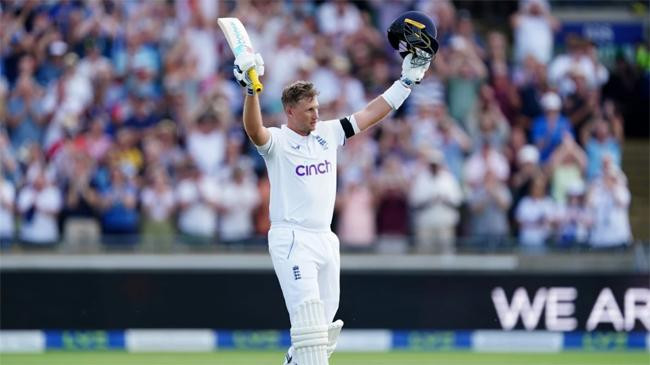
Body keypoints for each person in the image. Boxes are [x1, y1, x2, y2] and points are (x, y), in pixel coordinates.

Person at [233, 11, 436, 365]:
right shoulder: (278, 142)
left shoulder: (328, 133)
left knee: (323, 334)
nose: (316, 115)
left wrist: (406, 83)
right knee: (310, 329)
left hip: (325, 239)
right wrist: (251, 90)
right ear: (289, 111)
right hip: (292, 238)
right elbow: (254, 130)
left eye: (317, 108)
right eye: (309, 110)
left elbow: (372, 113)